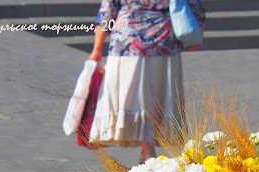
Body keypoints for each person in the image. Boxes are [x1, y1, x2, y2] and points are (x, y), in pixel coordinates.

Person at [88, 0, 205, 163]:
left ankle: (148, 151)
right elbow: (194, 6)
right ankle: (148, 151)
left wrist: (97, 47)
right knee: (155, 97)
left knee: (130, 97)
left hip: (127, 41)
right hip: (164, 39)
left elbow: (107, 11)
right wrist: (196, 31)